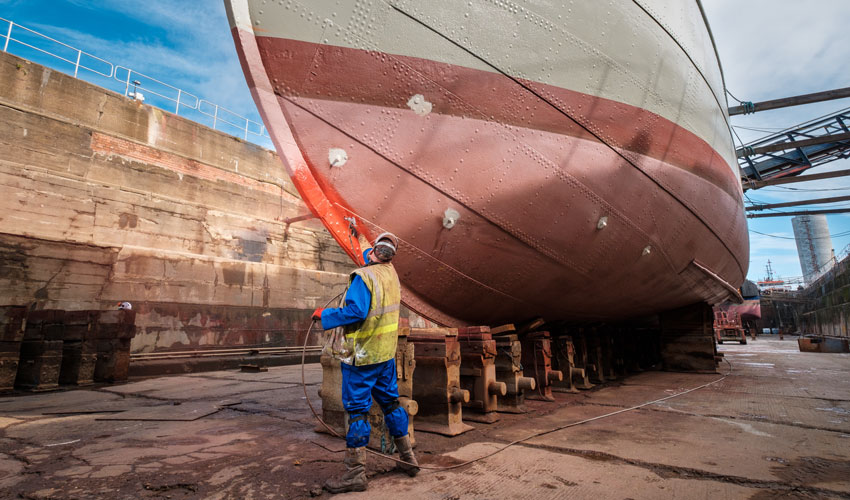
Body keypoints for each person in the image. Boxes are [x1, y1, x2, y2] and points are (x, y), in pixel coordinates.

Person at [312, 232, 419, 493]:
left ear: (374, 253)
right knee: (391, 403)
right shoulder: (390, 274)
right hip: (385, 354)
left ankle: (355, 474)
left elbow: (356, 311)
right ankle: (408, 459)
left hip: (362, 356)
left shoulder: (362, 277)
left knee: (357, 410)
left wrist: (324, 315)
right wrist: (356, 235)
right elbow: (370, 256)